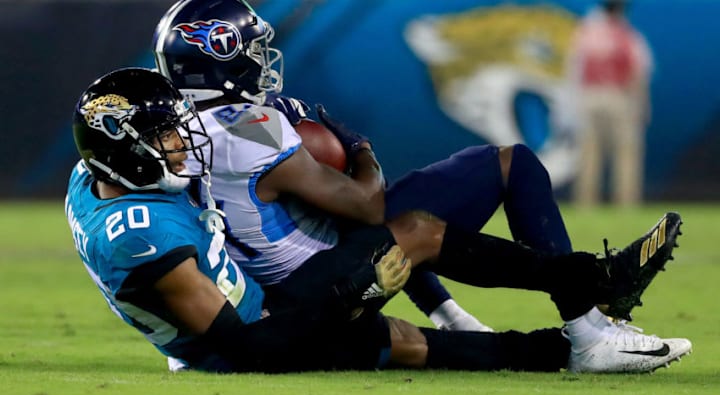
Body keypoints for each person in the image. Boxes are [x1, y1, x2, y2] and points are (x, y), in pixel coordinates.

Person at [66, 67, 690, 374]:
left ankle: (573, 343)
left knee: (417, 345)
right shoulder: (145, 235)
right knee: (412, 244)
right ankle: (596, 285)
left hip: (253, 314)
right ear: (125, 149)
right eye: (167, 138)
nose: (183, 145)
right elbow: (240, 349)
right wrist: (342, 312)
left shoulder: (92, 180)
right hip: (260, 329)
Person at [154, 0, 651, 324]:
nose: (262, 61)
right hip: (321, 285)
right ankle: (591, 314)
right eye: (250, 50)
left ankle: (456, 314)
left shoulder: (171, 128)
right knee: (502, 168)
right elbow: (368, 210)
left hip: (268, 286)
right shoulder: (249, 125)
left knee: (388, 219)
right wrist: (359, 147)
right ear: (216, 55)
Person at [567, 0, 653, 207]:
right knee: (626, 154)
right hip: (618, 98)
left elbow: (572, 71)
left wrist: (572, 103)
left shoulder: (585, 33)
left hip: (589, 98)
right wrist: (642, 105)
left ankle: (585, 205)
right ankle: (625, 204)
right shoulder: (627, 35)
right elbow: (639, 72)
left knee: (589, 154)